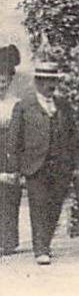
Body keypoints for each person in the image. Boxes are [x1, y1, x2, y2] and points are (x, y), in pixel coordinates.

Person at [1, 62, 79, 264]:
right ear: (37, 82)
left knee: (54, 206)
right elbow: (14, 139)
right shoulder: (24, 105)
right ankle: (41, 249)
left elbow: (74, 137)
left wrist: (76, 165)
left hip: (61, 165)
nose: (50, 85)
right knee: (38, 205)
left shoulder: (63, 105)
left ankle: (44, 241)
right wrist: (13, 168)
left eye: (53, 80)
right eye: (46, 81)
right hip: (34, 165)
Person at [0, 56, 19, 256]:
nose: (0, 84)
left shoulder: (16, 104)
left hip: (9, 149)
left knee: (9, 195)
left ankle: (8, 241)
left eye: (3, 81)